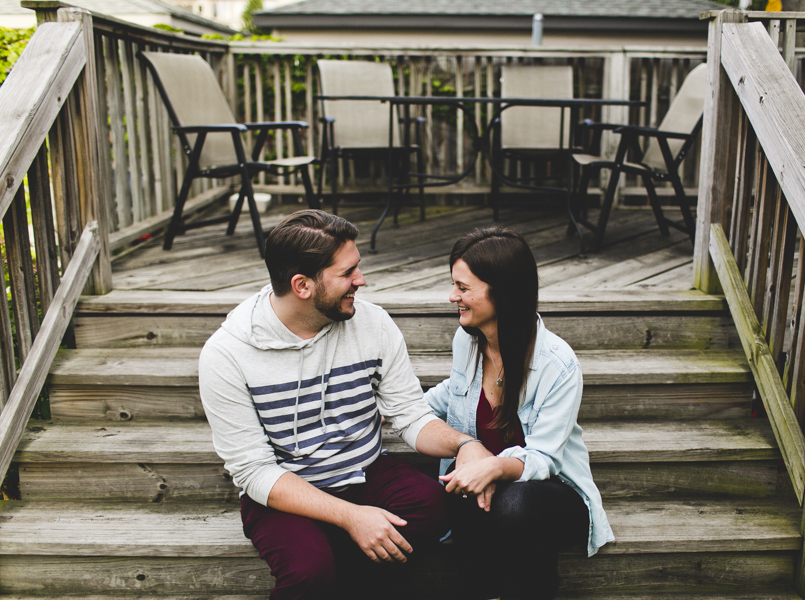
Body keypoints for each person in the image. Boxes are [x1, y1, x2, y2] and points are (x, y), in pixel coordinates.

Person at [198, 209, 493, 600]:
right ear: (302, 285)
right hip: (286, 492)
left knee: (434, 506)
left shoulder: (373, 324)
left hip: (366, 471)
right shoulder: (227, 353)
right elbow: (254, 471)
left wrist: (464, 444)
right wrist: (352, 518)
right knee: (309, 573)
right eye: (347, 273)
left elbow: (410, 415)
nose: (361, 280)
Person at [424, 226, 615, 600]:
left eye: (463, 288)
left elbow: (544, 457)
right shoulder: (467, 340)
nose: (453, 297)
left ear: (502, 291)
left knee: (513, 504)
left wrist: (494, 467)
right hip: (483, 494)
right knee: (455, 491)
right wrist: (398, 410)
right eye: (454, 286)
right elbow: (452, 393)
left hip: (549, 499)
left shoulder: (557, 364)